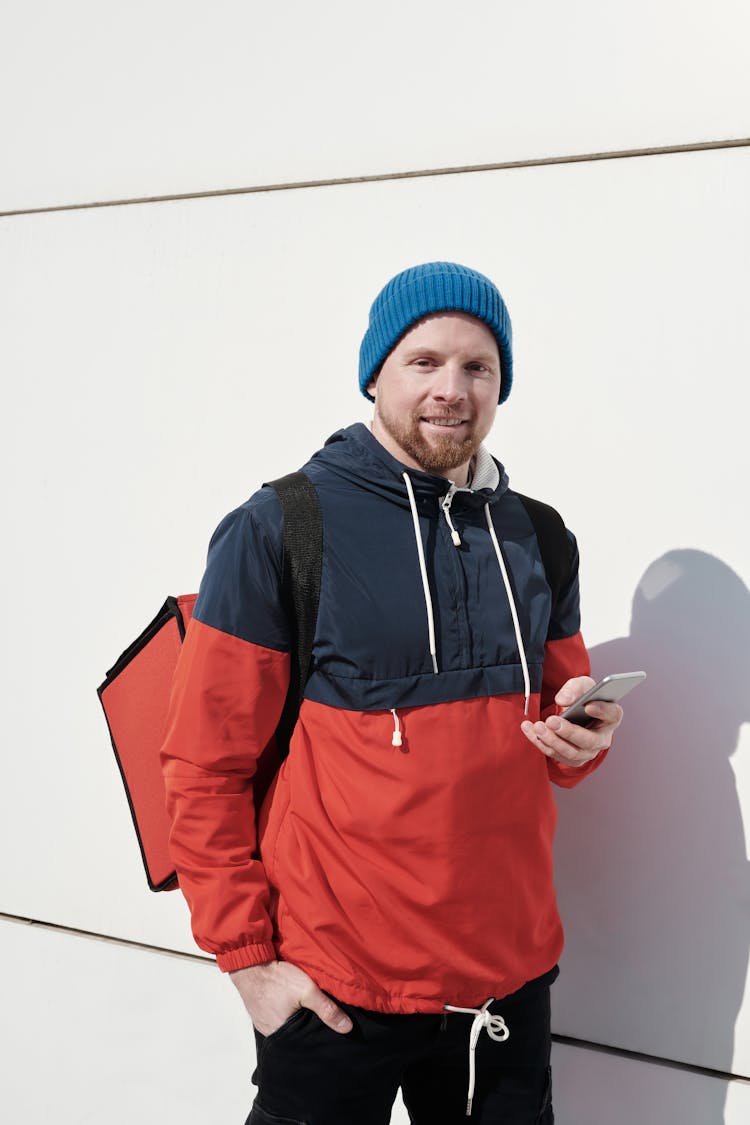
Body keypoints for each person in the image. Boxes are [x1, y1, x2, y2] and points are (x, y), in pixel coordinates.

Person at [161, 261, 623, 1124]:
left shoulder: (541, 537)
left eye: (478, 367)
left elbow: (560, 729)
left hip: (504, 991)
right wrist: (248, 958)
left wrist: (585, 738)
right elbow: (201, 760)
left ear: (502, 383)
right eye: (425, 362)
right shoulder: (281, 528)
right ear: (377, 371)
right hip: (338, 991)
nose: (452, 390)